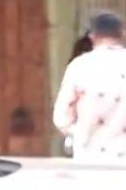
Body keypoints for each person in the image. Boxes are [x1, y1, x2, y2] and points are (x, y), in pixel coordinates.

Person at [53, 12, 126, 162]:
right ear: (122, 34)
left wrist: (78, 132)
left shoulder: (80, 66)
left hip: (90, 159)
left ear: (92, 36)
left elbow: (61, 116)